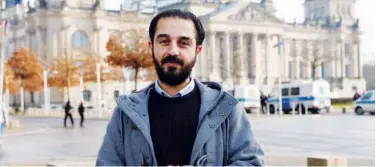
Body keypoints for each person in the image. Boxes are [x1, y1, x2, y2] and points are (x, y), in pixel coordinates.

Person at [96, 9, 264, 166]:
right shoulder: (125, 113)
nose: (173, 51)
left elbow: (251, 162)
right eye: (164, 41)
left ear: (197, 50)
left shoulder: (226, 108)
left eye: (183, 43)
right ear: (151, 47)